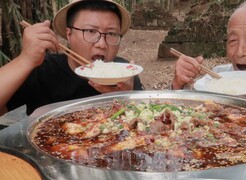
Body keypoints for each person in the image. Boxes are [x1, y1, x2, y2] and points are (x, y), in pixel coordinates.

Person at [0, 0, 144, 116]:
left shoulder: (125, 74)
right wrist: (25, 60)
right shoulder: (43, 69)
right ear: (69, 34)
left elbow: (145, 125)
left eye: (112, 34)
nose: (101, 44)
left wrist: (127, 99)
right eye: (90, 31)